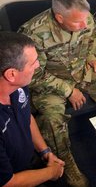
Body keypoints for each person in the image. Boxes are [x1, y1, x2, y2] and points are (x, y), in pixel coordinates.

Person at [18, 0, 96, 186]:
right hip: (49, 82)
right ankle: (65, 164)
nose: (85, 24)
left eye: (86, 19)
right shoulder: (33, 33)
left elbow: (92, 38)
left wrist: (92, 57)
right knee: (52, 118)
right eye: (78, 22)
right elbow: (32, 75)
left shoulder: (86, 18)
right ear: (60, 18)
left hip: (82, 70)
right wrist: (68, 90)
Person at [0, 32, 65, 186]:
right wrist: (51, 172)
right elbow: (8, 182)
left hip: (29, 161)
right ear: (12, 74)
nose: (38, 65)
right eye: (33, 62)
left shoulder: (18, 88)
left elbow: (26, 117)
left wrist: (45, 151)